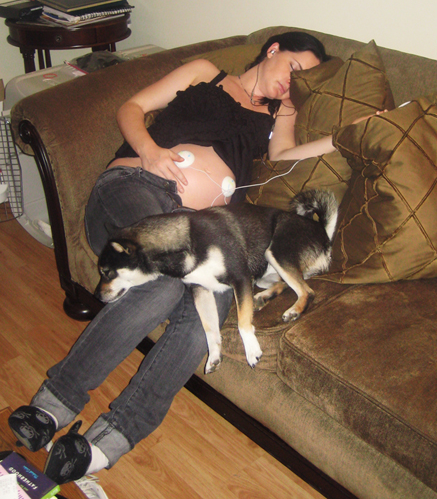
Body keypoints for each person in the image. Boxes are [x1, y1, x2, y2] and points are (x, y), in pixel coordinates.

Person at [8, 31, 333, 485]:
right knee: (159, 278)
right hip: (136, 187)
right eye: (294, 68)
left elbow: (285, 154)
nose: (291, 83)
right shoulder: (207, 74)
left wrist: (345, 138)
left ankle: (111, 439)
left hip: (200, 231)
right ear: (273, 50)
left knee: (208, 311)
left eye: (303, 80)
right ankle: (53, 403)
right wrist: (149, 150)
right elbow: (131, 108)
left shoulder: (283, 112)